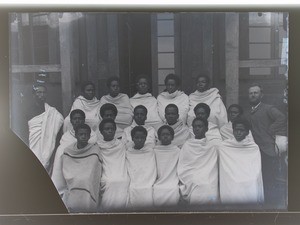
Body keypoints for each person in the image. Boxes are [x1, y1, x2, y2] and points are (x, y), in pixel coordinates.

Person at [246, 83, 287, 206]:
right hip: (254, 151)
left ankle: (271, 205)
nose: (253, 95)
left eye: (256, 93)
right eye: (251, 93)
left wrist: (271, 130)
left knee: (268, 178)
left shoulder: (268, 108)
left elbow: (282, 118)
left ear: (261, 95)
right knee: (257, 178)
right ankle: (260, 203)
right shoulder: (249, 112)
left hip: (267, 150)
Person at [51, 109, 97, 197]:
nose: (77, 121)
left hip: (86, 165)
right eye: (75, 119)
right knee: (60, 150)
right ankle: (61, 187)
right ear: (71, 121)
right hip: (69, 167)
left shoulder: (92, 135)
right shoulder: (66, 136)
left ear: (84, 120)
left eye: (80, 118)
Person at [218, 118, 264, 204]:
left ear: (247, 132)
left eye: (241, 130)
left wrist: (249, 178)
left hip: (249, 177)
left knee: (251, 184)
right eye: (236, 130)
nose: (238, 132)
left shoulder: (253, 147)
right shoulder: (225, 146)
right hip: (230, 178)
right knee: (233, 185)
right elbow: (223, 167)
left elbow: (256, 169)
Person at [61, 124, 102, 213]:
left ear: (89, 135)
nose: (83, 136)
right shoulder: (68, 150)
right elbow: (67, 169)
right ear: (76, 135)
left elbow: (94, 169)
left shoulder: (95, 149)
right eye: (81, 134)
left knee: (86, 180)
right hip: (73, 178)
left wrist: (84, 176)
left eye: (86, 134)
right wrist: (75, 176)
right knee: (77, 181)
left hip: (88, 179)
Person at [178, 117, 219, 205]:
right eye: (195, 126)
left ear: (206, 128)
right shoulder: (187, 145)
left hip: (207, 177)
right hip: (190, 178)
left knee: (207, 187)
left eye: (200, 126)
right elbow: (183, 166)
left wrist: (203, 177)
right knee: (197, 184)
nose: (197, 128)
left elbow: (212, 168)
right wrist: (193, 177)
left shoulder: (211, 147)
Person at [27, 83, 63, 173]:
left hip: (48, 145)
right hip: (32, 144)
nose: (41, 95)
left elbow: (59, 120)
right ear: (33, 94)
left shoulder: (51, 111)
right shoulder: (27, 110)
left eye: (44, 92)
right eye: (39, 92)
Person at [97, 118, 129, 211]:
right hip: (106, 174)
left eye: (112, 129)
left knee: (122, 181)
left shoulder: (121, 144)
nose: (110, 131)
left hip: (121, 173)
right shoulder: (97, 146)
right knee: (110, 182)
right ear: (101, 132)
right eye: (107, 129)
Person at [126, 126, 157, 209]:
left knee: (147, 189)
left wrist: (147, 181)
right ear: (132, 138)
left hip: (147, 182)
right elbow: (129, 169)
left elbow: (151, 169)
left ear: (146, 138)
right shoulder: (128, 152)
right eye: (136, 137)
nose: (139, 140)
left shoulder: (150, 151)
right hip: (133, 182)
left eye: (142, 138)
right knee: (132, 189)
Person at [153, 125, 180, 207]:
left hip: (172, 183)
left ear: (172, 137)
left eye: (167, 135)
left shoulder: (177, 151)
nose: (165, 136)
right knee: (157, 190)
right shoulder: (154, 151)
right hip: (158, 182)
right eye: (162, 135)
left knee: (173, 190)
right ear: (159, 137)